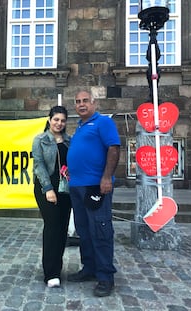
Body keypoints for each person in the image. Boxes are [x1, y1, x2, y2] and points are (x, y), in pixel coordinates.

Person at [66, 90, 120, 297]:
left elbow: (114, 149)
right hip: (77, 186)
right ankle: (89, 268)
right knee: (84, 230)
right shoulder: (79, 127)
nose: (81, 104)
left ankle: (105, 276)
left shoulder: (103, 123)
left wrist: (106, 177)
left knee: (100, 230)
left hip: (96, 186)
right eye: (78, 101)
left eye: (85, 101)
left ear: (94, 103)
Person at [32, 105, 72, 288]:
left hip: (66, 188)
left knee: (62, 228)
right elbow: (39, 165)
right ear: (49, 120)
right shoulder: (40, 139)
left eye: (62, 120)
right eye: (56, 119)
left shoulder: (69, 140)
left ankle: (58, 266)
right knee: (52, 226)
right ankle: (50, 272)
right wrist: (48, 189)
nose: (59, 123)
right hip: (46, 188)